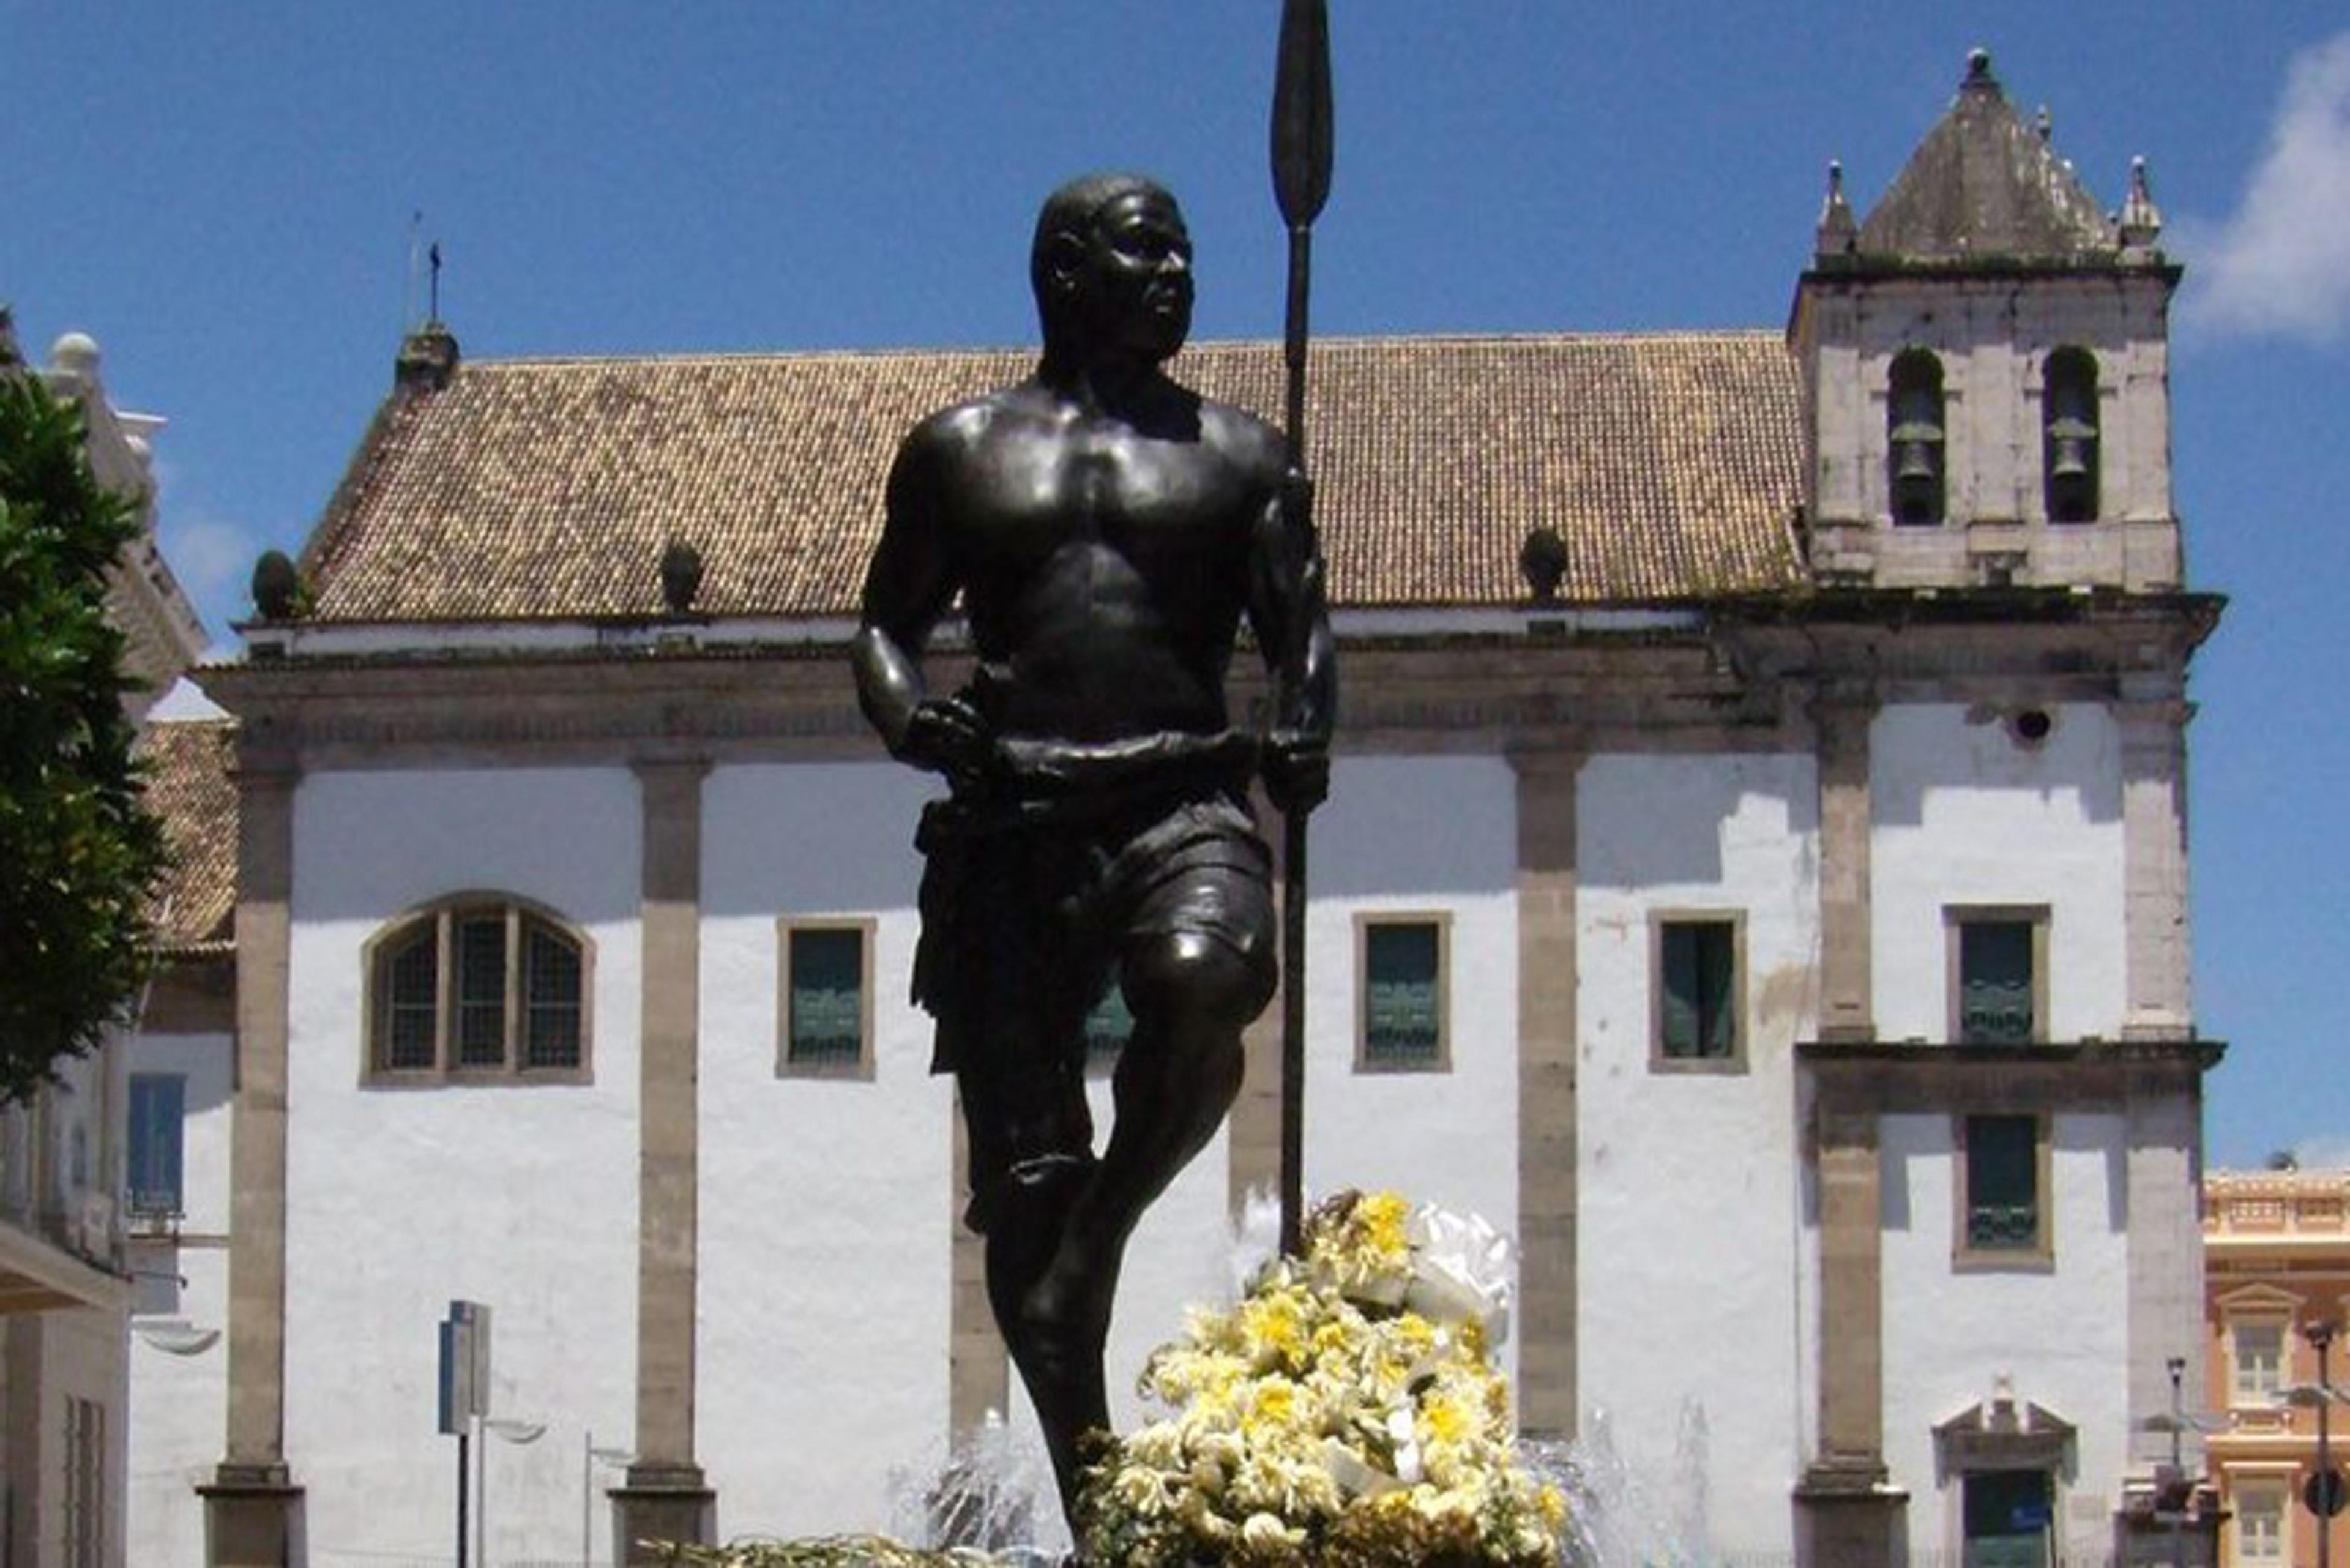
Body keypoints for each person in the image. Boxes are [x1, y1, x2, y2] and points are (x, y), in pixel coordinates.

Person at [851, 171, 1335, 1529]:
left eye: (1186, 251)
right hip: (1011, 824)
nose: (1179, 273)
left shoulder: (1246, 459)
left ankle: (1104, 1240)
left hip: (1178, 798)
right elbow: (885, 625)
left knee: (1209, 977)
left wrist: (1305, 727)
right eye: (1147, 251)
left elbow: (1302, 630)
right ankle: (1104, 1514)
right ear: (1065, 275)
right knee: (1024, 1192)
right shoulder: (958, 451)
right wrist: (909, 715)